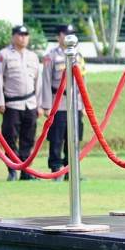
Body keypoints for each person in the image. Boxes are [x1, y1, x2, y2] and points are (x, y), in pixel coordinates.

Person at [0, 25, 42, 181]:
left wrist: (40, 105)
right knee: (10, 138)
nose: (23, 38)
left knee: (28, 138)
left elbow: (38, 82)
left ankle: (26, 171)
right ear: (13, 36)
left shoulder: (33, 56)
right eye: (20, 35)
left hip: (30, 103)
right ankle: (13, 169)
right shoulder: (4, 55)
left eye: (26, 35)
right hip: (12, 104)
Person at [40, 24, 86, 174]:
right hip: (58, 102)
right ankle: (55, 168)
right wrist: (47, 105)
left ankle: (71, 169)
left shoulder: (78, 56)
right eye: (66, 34)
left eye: (72, 34)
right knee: (56, 138)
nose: (70, 37)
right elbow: (46, 81)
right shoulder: (51, 56)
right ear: (58, 37)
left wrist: (84, 104)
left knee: (74, 137)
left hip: (76, 102)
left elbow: (82, 80)